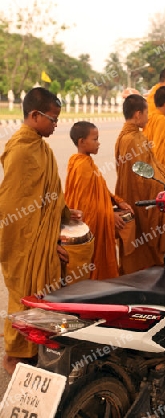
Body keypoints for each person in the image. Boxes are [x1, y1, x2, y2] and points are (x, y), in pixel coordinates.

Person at [0, 87, 69, 375]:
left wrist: (64, 214)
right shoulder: (21, 150)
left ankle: (33, 347)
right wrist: (40, 243)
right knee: (24, 293)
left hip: (42, 234)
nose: (55, 125)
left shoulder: (41, 146)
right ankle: (15, 354)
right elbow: (14, 205)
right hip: (25, 241)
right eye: (53, 120)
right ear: (34, 115)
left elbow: (49, 191)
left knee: (41, 294)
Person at [115, 94, 165, 273]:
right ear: (138, 114)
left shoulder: (127, 136)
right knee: (144, 239)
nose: (148, 117)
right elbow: (143, 178)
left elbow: (153, 164)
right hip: (139, 196)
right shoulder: (133, 139)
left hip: (130, 193)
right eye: (146, 113)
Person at [64, 121, 133, 280]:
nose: (98, 143)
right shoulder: (81, 165)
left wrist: (116, 200)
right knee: (95, 260)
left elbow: (99, 186)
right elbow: (87, 204)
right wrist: (109, 215)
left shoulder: (86, 161)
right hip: (91, 222)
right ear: (82, 142)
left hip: (97, 217)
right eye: (94, 139)